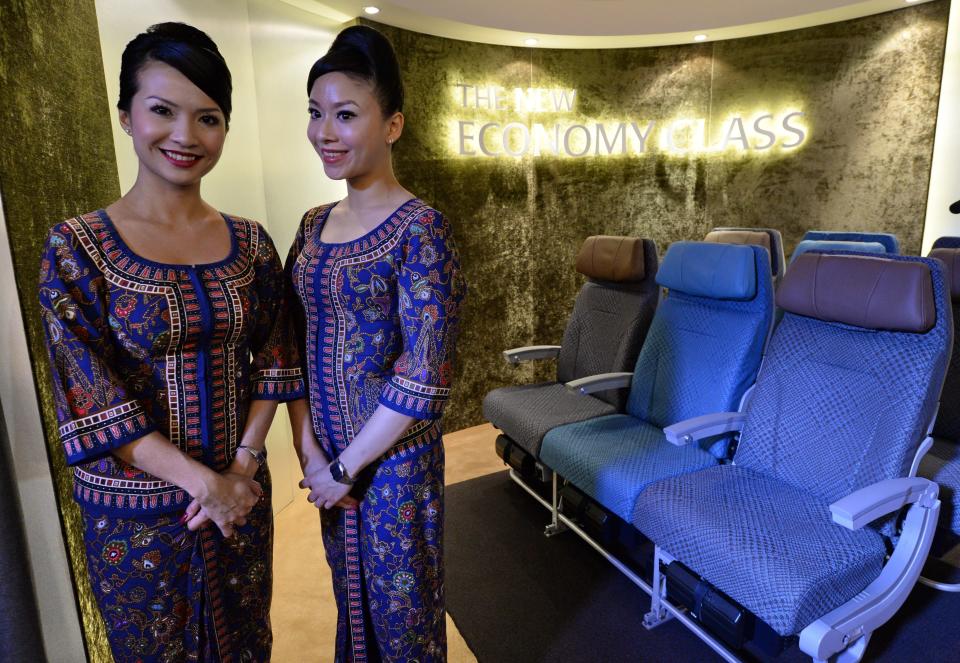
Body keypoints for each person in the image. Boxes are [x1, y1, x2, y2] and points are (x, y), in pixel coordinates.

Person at [37, 22, 303, 662]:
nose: (185, 136)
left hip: (239, 499)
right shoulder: (76, 248)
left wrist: (240, 467)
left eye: (207, 118)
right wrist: (200, 483)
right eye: (161, 110)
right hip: (137, 516)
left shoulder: (251, 241)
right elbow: (88, 397)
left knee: (245, 642)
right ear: (126, 115)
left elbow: (277, 356)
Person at [285, 25, 466, 662]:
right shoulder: (310, 226)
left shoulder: (422, 230)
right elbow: (291, 341)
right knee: (350, 596)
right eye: (315, 113)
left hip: (393, 466)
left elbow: (425, 375)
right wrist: (309, 451)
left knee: (403, 611)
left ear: (392, 125)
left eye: (345, 115)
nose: (323, 132)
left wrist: (343, 468)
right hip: (329, 457)